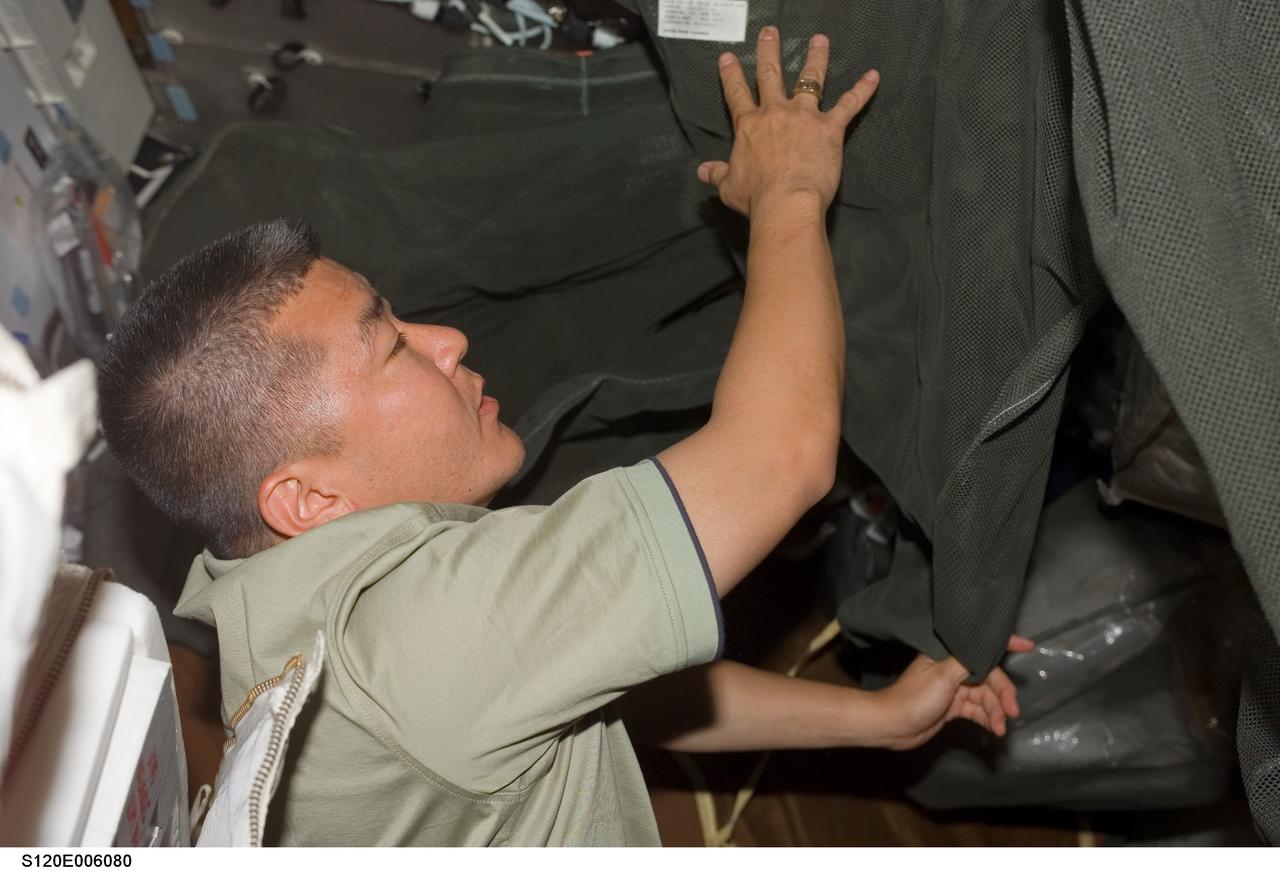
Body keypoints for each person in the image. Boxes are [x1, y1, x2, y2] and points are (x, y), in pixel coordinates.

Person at [99, 28, 1029, 846]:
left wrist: (877, 718)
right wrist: (788, 186)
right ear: (307, 498)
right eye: (391, 347)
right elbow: (779, 455)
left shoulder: (292, 618)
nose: (447, 339)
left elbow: (602, 682)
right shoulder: (417, 642)